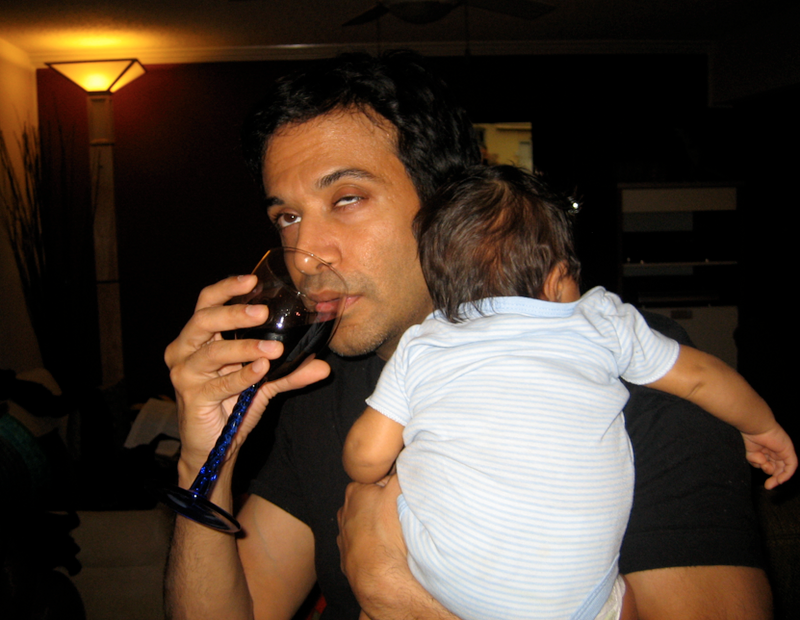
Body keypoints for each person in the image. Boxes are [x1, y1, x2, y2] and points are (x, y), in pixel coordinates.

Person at [164, 51, 774, 620]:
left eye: (347, 198)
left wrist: (398, 596)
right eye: (288, 217)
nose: (305, 255)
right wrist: (206, 457)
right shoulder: (319, 387)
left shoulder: (634, 371)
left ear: (446, 204)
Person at [343, 165, 795, 620]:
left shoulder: (424, 343)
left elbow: (367, 457)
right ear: (559, 279)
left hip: (448, 583)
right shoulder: (600, 320)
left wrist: (367, 471)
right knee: (626, 600)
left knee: (385, 492)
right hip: (581, 602)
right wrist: (763, 427)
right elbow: (701, 377)